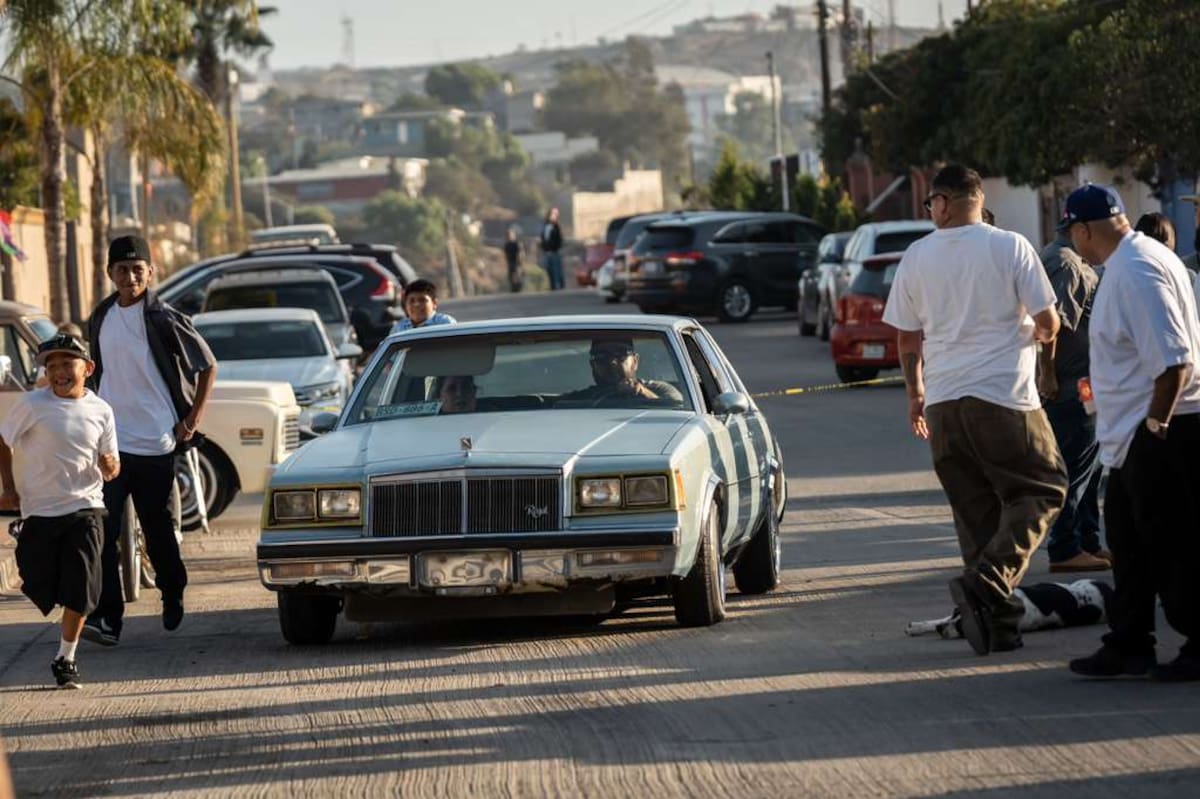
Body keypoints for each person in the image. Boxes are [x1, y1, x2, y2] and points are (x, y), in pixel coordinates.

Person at [882, 164, 1067, 656]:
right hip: (1004, 397)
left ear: (943, 202)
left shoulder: (917, 256)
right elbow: (1049, 321)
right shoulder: (1011, 246)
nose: (930, 214)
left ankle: (998, 626)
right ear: (979, 200)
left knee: (976, 514)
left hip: (943, 405)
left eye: (930, 205)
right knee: (1044, 486)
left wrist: (915, 395)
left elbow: (907, 337)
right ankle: (989, 583)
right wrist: (1042, 341)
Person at [1061, 184, 1200, 682]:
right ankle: (1129, 642)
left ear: (1083, 230)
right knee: (1130, 542)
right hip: (1131, 436)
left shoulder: (1136, 270)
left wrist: (1156, 422)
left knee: (1173, 544)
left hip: (1161, 430)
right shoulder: (1137, 259)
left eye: (1071, 231)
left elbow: (1174, 358)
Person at [84, 235, 216, 646]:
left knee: (158, 528)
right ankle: (108, 617)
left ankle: (172, 589)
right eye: (121, 269)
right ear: (110, 274)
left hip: (156, 440)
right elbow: (98, 372)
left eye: (137, 269)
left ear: (150, 273)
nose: (129, 276)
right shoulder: (101, 317)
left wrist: (190, 421)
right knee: (103, 532)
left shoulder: (164, 317)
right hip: (110, 444)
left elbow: (207, 366)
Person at [0, 334, 119, 687]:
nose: (59, 372)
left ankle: (65, 658)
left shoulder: (101, 410)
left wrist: (110, 466)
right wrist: (9, 488)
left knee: (82, 590)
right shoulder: (32, 404)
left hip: (87, 507)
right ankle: (51, 593)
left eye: (67, 363)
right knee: (39, 581)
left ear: (88, 368)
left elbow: (112, 465)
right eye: (51, 366)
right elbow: (3, 442)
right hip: (39, 510)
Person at [1037, 226, 1108, 572]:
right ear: (1083, 230)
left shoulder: (1071, 258)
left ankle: (1088, 540)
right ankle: (1065, 547)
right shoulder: (1064, 262)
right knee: (1075, 467)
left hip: (1086, 383)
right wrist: (1046, 374)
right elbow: (1053, 326)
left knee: (1091, 467)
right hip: (1070, 386)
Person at [559, 337, 683, 405]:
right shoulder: (580, 400)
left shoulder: (661, 390)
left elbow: (678, 411)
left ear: (635, 361)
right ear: (593, 365)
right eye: (601, 356)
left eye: (619, 354)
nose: (611, 362)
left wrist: (643, 393)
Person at [391, 279, 456, 334]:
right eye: (412, 301)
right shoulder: (399, 328)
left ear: (434, 303)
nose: (416, 304)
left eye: (422, 300)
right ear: (405, 305)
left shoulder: (445, 323)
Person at [539, 207, 564, 291]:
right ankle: (553, 286)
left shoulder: (557, 226)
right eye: (551, 214)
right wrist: (544, 248)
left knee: (556, 270)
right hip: (547, 252)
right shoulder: (545, 226)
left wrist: (554, 248)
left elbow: (559, 240)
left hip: (554, 252)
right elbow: (543, 238)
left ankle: (558, 286)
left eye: (554, 215)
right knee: (549, 270)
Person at [503, 229, 524, 293]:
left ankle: (518, 288)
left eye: (511, 235)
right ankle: (513, 288)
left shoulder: (517, 244)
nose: (509, 236)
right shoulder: (507, 244)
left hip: (516, 262)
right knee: (511, 276)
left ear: (514, 235)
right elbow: (505, 253)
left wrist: (520, 262)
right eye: (508, 235)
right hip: (510, 262)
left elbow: (521, 253)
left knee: (516, 276)